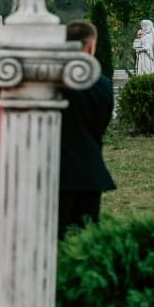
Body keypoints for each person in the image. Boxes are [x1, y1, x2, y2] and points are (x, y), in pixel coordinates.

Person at [59, 20, 116, 238]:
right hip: (90, 172)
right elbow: (100, 125)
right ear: (91, 45)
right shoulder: (104, 84)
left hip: (56, 173)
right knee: (86, 239)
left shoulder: (49, 79)